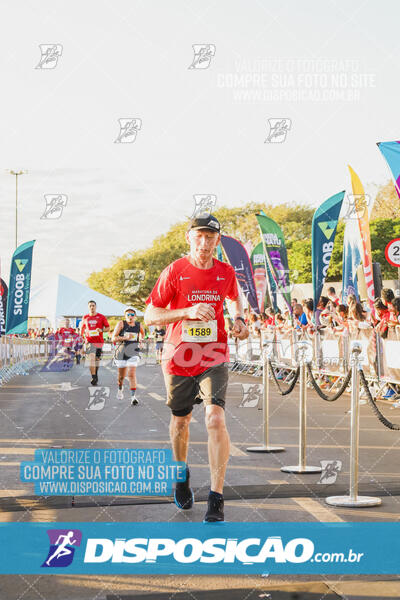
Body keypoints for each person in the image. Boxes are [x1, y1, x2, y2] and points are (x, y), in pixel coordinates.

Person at [144, 214, 248, 523]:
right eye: (199, 236)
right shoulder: (175, 271)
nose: (204, 242)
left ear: (218, 241)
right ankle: (181, 474)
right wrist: (187, 311)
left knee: (215, 418)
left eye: (210, 237)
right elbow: (151, 315)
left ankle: (216, 497)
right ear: (189, 238)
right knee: (182, 422)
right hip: (179, 357)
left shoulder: (226, 272)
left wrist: (238, 319)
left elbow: (235, 299)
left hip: (215, 353)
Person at [112, 308, 144, 404]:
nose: (130, 316)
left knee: (131, 373)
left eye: (132, 314)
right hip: (121, 352)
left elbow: (143, 334)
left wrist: (141, 341)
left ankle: (133, 397)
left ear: (135, 316)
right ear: (125, 316)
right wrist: (125, 337)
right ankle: (120, 388)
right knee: (121, 377)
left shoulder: (139, 325)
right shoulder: (121, 324)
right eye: (128, 315)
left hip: (133, 352)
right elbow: (113, 338)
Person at [80, 300, 110, 386]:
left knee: (97, 360)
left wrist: (101, 330)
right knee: (92, 358)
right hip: (89, 341)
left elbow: (108, 328)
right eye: (90, 306)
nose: (92, 307)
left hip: (99, 342)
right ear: (88, 307)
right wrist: (81, 339)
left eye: (93, 305)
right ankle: (93, 376)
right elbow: (82, 329)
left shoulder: (101, 317)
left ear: (96, 307)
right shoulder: (85, 317)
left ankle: (95, 374)